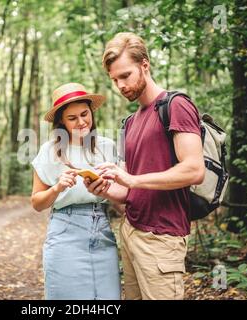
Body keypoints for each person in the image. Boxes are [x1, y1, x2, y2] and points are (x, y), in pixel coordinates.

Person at [84, 32, 205, 300]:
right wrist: (102, 188)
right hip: (130, 232)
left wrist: (132, 180)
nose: (120, 86)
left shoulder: (176, 106)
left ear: (144, 65)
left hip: (161, 238)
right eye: (115, 80)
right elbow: (128, 192)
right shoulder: (129, 123)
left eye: (125, 75)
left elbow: (194, 170)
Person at [30, 82, 121, 300]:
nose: (81, 122)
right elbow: (37, 203)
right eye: (72, 118)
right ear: (61, 120)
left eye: (84, 114)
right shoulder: (49, 150)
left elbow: (121, 199)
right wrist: (57, 187)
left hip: (102, 230)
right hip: (65, 232)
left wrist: (109, 189)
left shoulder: (107, 146)